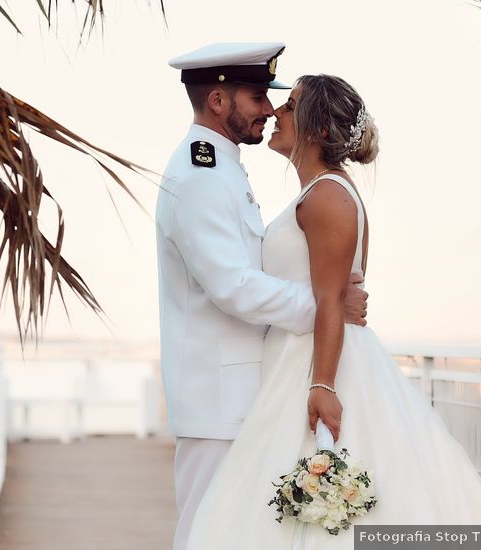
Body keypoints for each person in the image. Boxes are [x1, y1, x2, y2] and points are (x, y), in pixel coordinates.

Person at [185, 74, 481, 549]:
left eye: (292, 106)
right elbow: (333, 295)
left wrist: (322, 386)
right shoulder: (321, 192)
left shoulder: (327, 198)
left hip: (316, 368)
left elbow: (330, 300)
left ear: (317, 129)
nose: (277, 112)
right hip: (296, 360)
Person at [155, 43, 369, 550]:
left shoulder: (222, 167)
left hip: (247, 390)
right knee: (205, 533)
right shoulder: (200, 174)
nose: (269, 109)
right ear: (218, 102)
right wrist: (326, 306)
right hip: (218, 397)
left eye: (277, 100)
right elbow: (232, 285)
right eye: (258, 97)